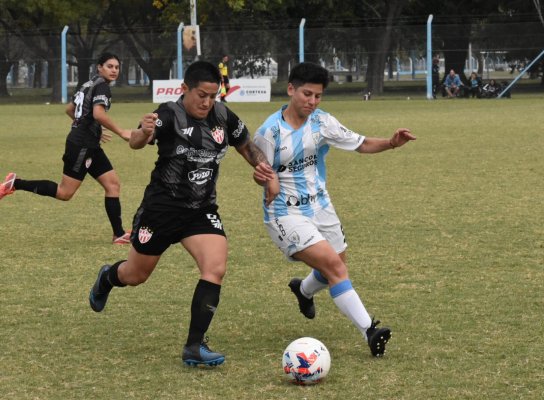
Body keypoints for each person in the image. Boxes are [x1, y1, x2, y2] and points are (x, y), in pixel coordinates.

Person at [87, 61, 276, 367]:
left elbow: (247, 147)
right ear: (184, 89)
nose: (207, 102)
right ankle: (108, 277)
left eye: (213, 96)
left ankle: (194, 346)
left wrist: (267, 173)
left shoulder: (222, 116)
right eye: (201, 94)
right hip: (161, 210)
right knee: (135, 275)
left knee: (215, 267)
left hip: (200, 211)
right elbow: (137, 141)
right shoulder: (168, 114)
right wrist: (142, 131)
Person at [252, 62, 416, 357]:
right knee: (336, 268)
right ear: (291, 89)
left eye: (318, 96)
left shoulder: (322, 122)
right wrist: (266, 177)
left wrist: (391, 143)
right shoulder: (269, 132)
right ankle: (370, 330)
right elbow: (261, 169)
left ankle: (303, 291)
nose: (312, 101)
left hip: (321, 206)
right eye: (306, 94)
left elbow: (361, 144)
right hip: (285, 213)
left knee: (332, 271)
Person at [0, 53, 132, 244]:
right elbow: (98, 113)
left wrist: (92, 129)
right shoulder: (101, 86)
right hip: (81, 146)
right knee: (64, 193)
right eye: (109, 66)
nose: (114, 70)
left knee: (113, 185)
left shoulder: (87, 84)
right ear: (99, 67)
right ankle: (16, 183)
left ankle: (118, 234)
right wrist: (122, 132)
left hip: (89, 143)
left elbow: (70, 109)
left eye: (117, 67)